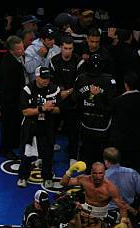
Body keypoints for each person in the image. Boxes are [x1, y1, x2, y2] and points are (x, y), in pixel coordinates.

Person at [61, 161, 128, 228]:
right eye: (95, 173)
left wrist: (123, 223)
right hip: (83, 212)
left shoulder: (110, 188)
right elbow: (63, 183)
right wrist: (70, 171)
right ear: (91, 172)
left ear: (104, 173)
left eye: (100, 173)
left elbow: (122, 207)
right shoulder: (83, 179)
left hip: (99, 217)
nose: (98, 176)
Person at [17, 66, 60, 189]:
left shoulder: (54, 88)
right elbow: (25, 111)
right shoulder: (27, 89)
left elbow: (58, 109)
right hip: (30, 126)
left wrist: (50, 108)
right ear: (37, 77)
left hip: (47, 126)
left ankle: (47, 177)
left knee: (48, 154)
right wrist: (42, 108)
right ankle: (23, 176)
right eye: (43, 78)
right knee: (26, 154)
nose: (46, 80)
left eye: (47, 78)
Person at [109, 73, 140, 174]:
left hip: (123, 140)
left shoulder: (117, 101)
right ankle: (137, 186)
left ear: (126, 85)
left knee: (124, 165)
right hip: (139, 139)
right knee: (137, 165)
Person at [74, 53, 117, 166]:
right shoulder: (108, 80)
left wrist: (96, 97)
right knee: (93, 155)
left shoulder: (81, 78)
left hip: (99, 124)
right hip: (89, 123)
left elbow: (111, 105)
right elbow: (76, 100)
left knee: (93, 154)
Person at [50, 36, 81, 164]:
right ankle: (47, 153)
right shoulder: (54, 60)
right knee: (51, 128)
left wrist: (67, 92)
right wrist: (60, 92)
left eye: (70, 48)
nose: (67, 51)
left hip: (72, 102)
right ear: (61, 48)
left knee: (73, 131)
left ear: (73, 49)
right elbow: (51, 81)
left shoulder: (78, 61)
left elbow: (80, 82)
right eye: (65, 48)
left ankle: (73, 156)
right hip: (57, 100)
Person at [103, 147, 140, 211]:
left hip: (107, 214)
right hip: (129, 212)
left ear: (106, 161)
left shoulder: (101, 177)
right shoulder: (131, 173)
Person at [0, 35, 28, 160]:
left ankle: (13, 145)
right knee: (8, 126)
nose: (23, 51)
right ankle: (5, 150)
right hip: (9, 101)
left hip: (15, 99)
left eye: (23, 47)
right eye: (20, 49)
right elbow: (8, 87)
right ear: (11, 50)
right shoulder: (8, 64)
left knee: (15, 124)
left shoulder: (17, 59)